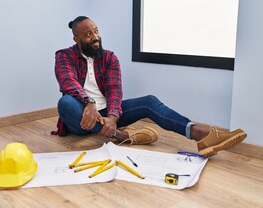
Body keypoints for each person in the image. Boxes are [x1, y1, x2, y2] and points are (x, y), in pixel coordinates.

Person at [53, 16, 247, 158]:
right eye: (88, 34)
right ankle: (119, 135)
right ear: (76, 40)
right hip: (82, 119)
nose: (95, 37)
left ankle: (198, 134)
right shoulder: (64, 55)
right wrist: (88, 103)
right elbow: (68, 82)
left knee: (149, 101)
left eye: (96, 30)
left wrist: (112, 117)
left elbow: (115, 90)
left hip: (106, 114)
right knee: (65, 103)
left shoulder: (110, 57)